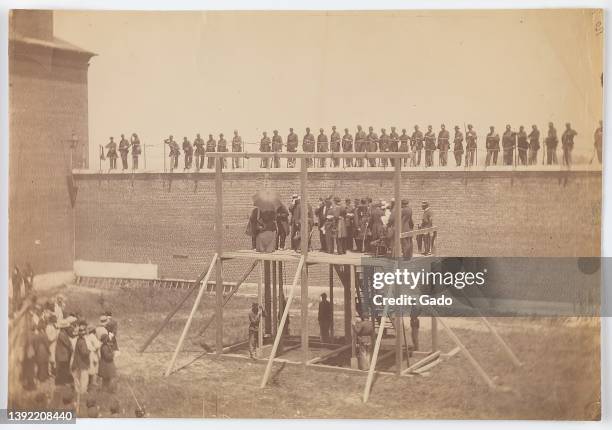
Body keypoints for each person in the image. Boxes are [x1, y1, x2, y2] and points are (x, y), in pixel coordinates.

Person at [54, 318, 74, 387]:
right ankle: (61, 382)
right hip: (62, 355)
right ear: (64, 328)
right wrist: (71, 348)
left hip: (63, 354)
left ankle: (62, 381)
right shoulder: (62, 334)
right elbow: (67, 343)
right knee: (62, 368)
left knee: (64, 368)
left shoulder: (63, 333)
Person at [72, 324, 90, 394]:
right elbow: (84, 353)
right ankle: (83, 391)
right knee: (84, 377)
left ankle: (77, 390)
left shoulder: (78, 340)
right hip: (82, 362)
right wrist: (89, 351)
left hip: (77, 361)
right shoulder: (82, 341)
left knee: (77, 377)